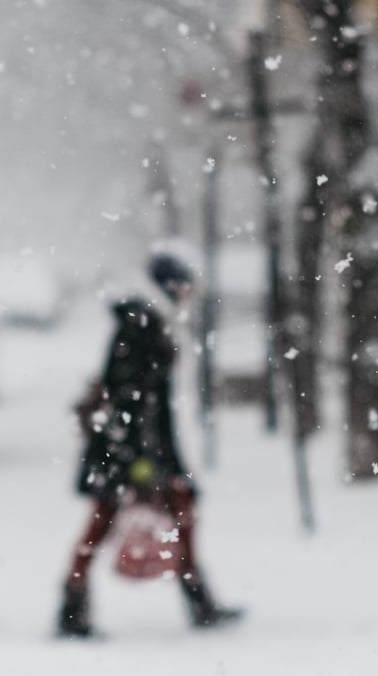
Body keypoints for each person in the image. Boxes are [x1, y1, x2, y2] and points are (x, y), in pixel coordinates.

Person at [56, 248, 242, 638]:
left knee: (168, 512)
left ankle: (195, 600)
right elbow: (130, 398)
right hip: (130, 446)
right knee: (110, 521)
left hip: (139, 444)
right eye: (185, 285)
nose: (190, 294)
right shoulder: (141, 325)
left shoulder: (149, 321)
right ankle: (74, 607)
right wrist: (141, 461)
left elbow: (140, 398)